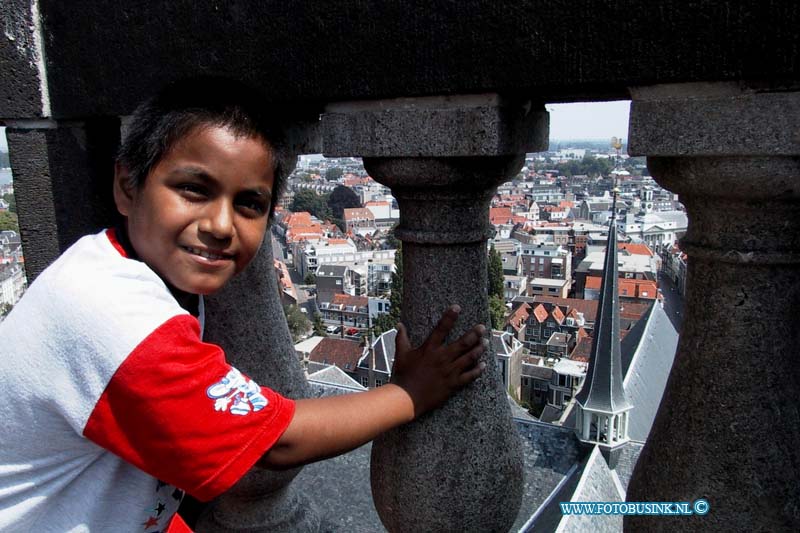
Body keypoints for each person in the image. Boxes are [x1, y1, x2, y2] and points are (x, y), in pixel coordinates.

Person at [0, 77, 487, 532]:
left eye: (249, 204)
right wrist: (411, 394)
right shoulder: (117, 323)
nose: (220, 224)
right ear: (128, 188)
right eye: (194, 189)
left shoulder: (109, 266)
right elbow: (279, 441)